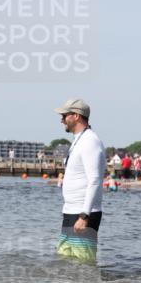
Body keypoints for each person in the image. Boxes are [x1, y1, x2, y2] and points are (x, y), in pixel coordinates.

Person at [54, 99, 105, 263]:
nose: (61, 119)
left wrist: (84, 216)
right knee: (64, 262)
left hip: (83, 213)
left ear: (76, 116)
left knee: (83, 265)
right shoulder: (78, 140)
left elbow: (95, 180)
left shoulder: (90, 141)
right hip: (70, 211)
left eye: (64, 115)